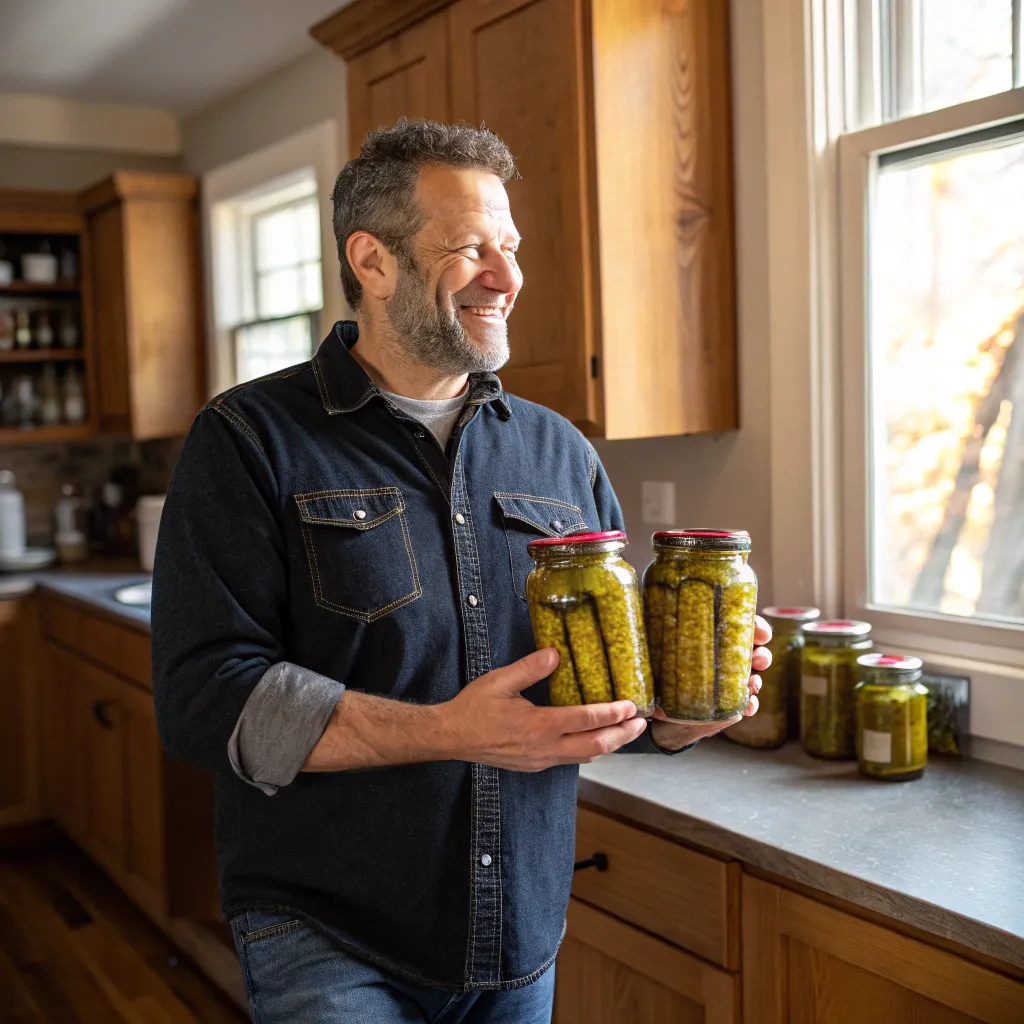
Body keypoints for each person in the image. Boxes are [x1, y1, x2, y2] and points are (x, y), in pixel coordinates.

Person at [152, 119, 771, 1024]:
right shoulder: (249, 439)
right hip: (329, 932)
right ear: (373, 260)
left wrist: (672, 719)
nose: (507, 277)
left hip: (516, 940)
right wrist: (449, 730)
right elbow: (207, 696)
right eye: (470, 248)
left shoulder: (563, 455)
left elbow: (586, 705)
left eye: (510, 248)